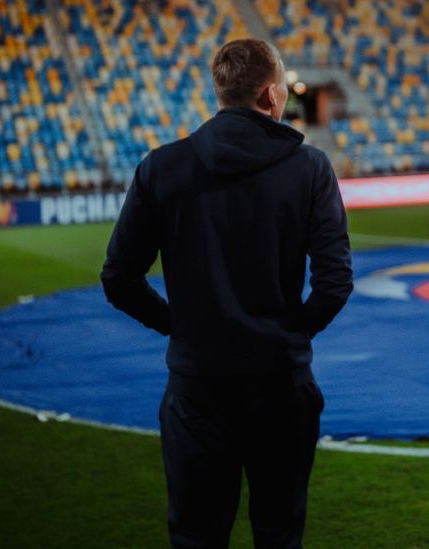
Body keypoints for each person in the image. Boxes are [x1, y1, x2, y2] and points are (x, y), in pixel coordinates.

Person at [101, 38, 352, 549]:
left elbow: (119, 278)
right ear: (270, 95)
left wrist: (180, 326)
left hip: (197, 388)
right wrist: (288, 335)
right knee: (279, 535)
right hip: (280, 386)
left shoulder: (161, 167)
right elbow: (334, 283)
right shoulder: (309, 167)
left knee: (196, 537)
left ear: (220, 93)